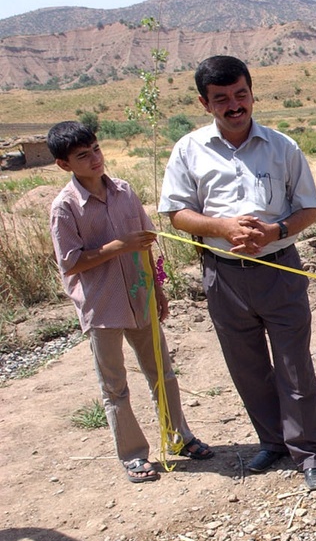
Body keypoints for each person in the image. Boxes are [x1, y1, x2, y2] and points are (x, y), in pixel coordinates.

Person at [159, 55, 316, 492]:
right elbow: (176, 213)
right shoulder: (188, 149)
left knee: (295, 366)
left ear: (252, 92)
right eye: (222, 99)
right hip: (223, 276)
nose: (234, 105)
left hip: (279, 270)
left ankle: (310, 452)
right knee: (247, 366)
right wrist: (222, 228)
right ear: (205, 103)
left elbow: (309, 208)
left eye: (241, 94)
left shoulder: (283, 147)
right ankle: (272, 442)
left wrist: (275, 230)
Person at [47, 121, 214, 484]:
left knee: (163, 373)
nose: (94, 159)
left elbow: (147, 243)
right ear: (64, 164)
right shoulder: (65, 208)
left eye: (95, 149)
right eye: (82, 155)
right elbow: (71, 262)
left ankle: (179, 437)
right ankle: (134, 456)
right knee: (115, 385)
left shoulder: (124, 191)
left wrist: (158, 289)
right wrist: (117, 246)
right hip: (101, 305)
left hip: (140, 296)